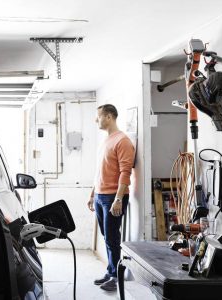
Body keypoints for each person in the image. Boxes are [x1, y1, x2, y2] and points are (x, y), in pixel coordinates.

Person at [87, 104, 135, 292]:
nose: (96, 120)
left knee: (112, 238)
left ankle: (116, 277)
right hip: (100, 195)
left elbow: (125, 172)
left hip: (112, 197)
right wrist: (92, 193)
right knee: (107, 237)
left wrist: (118, 199)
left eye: (98, 116)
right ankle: (110, 271)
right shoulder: (106, 140)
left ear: (109, 117)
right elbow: (100, 171)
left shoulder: (122, 141)